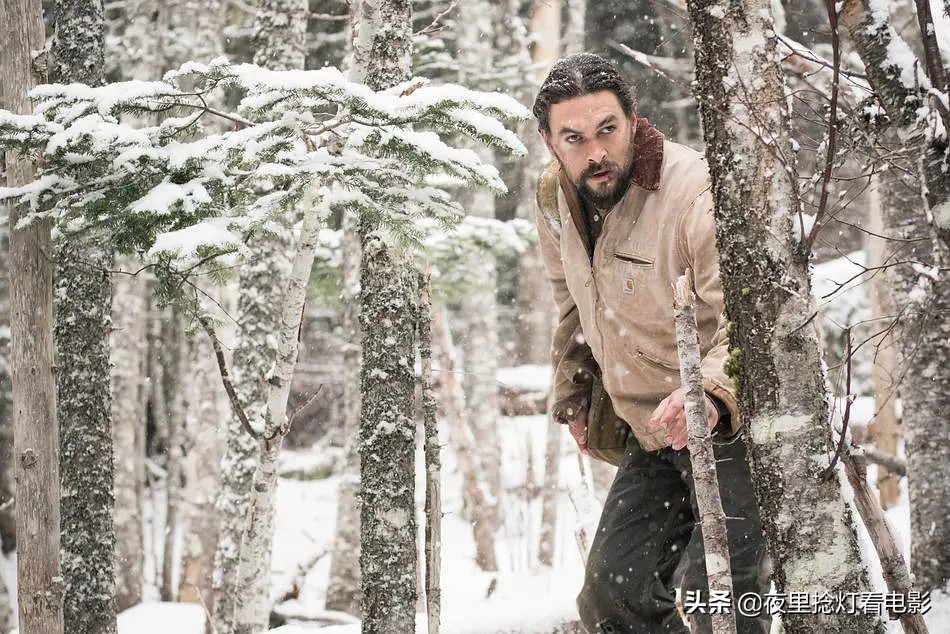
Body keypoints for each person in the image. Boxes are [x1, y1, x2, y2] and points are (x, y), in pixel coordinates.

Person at [531, 53, 771, 634]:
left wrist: (711, 394)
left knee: (720, 600)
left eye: (607, 130)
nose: (595, 153)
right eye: (575, 137)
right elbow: (571, 298)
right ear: (549, 141)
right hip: (654, 427)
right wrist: (577, 393)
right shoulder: (554, 197)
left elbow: (754, 320)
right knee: (614, 597)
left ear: (634, 120)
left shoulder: (697, 193)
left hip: (729, 424)